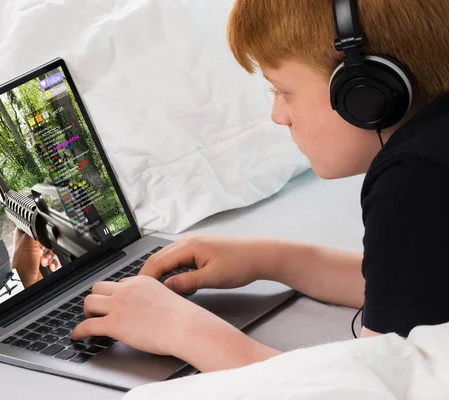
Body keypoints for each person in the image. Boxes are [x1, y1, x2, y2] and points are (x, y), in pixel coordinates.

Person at [64, 0, 449, 373]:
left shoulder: (415, 181)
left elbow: (369, 389)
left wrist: (181, 329)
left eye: (283, 91)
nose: (277, 115)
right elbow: (419, 289)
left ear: (363, 93)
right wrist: (270, 259)